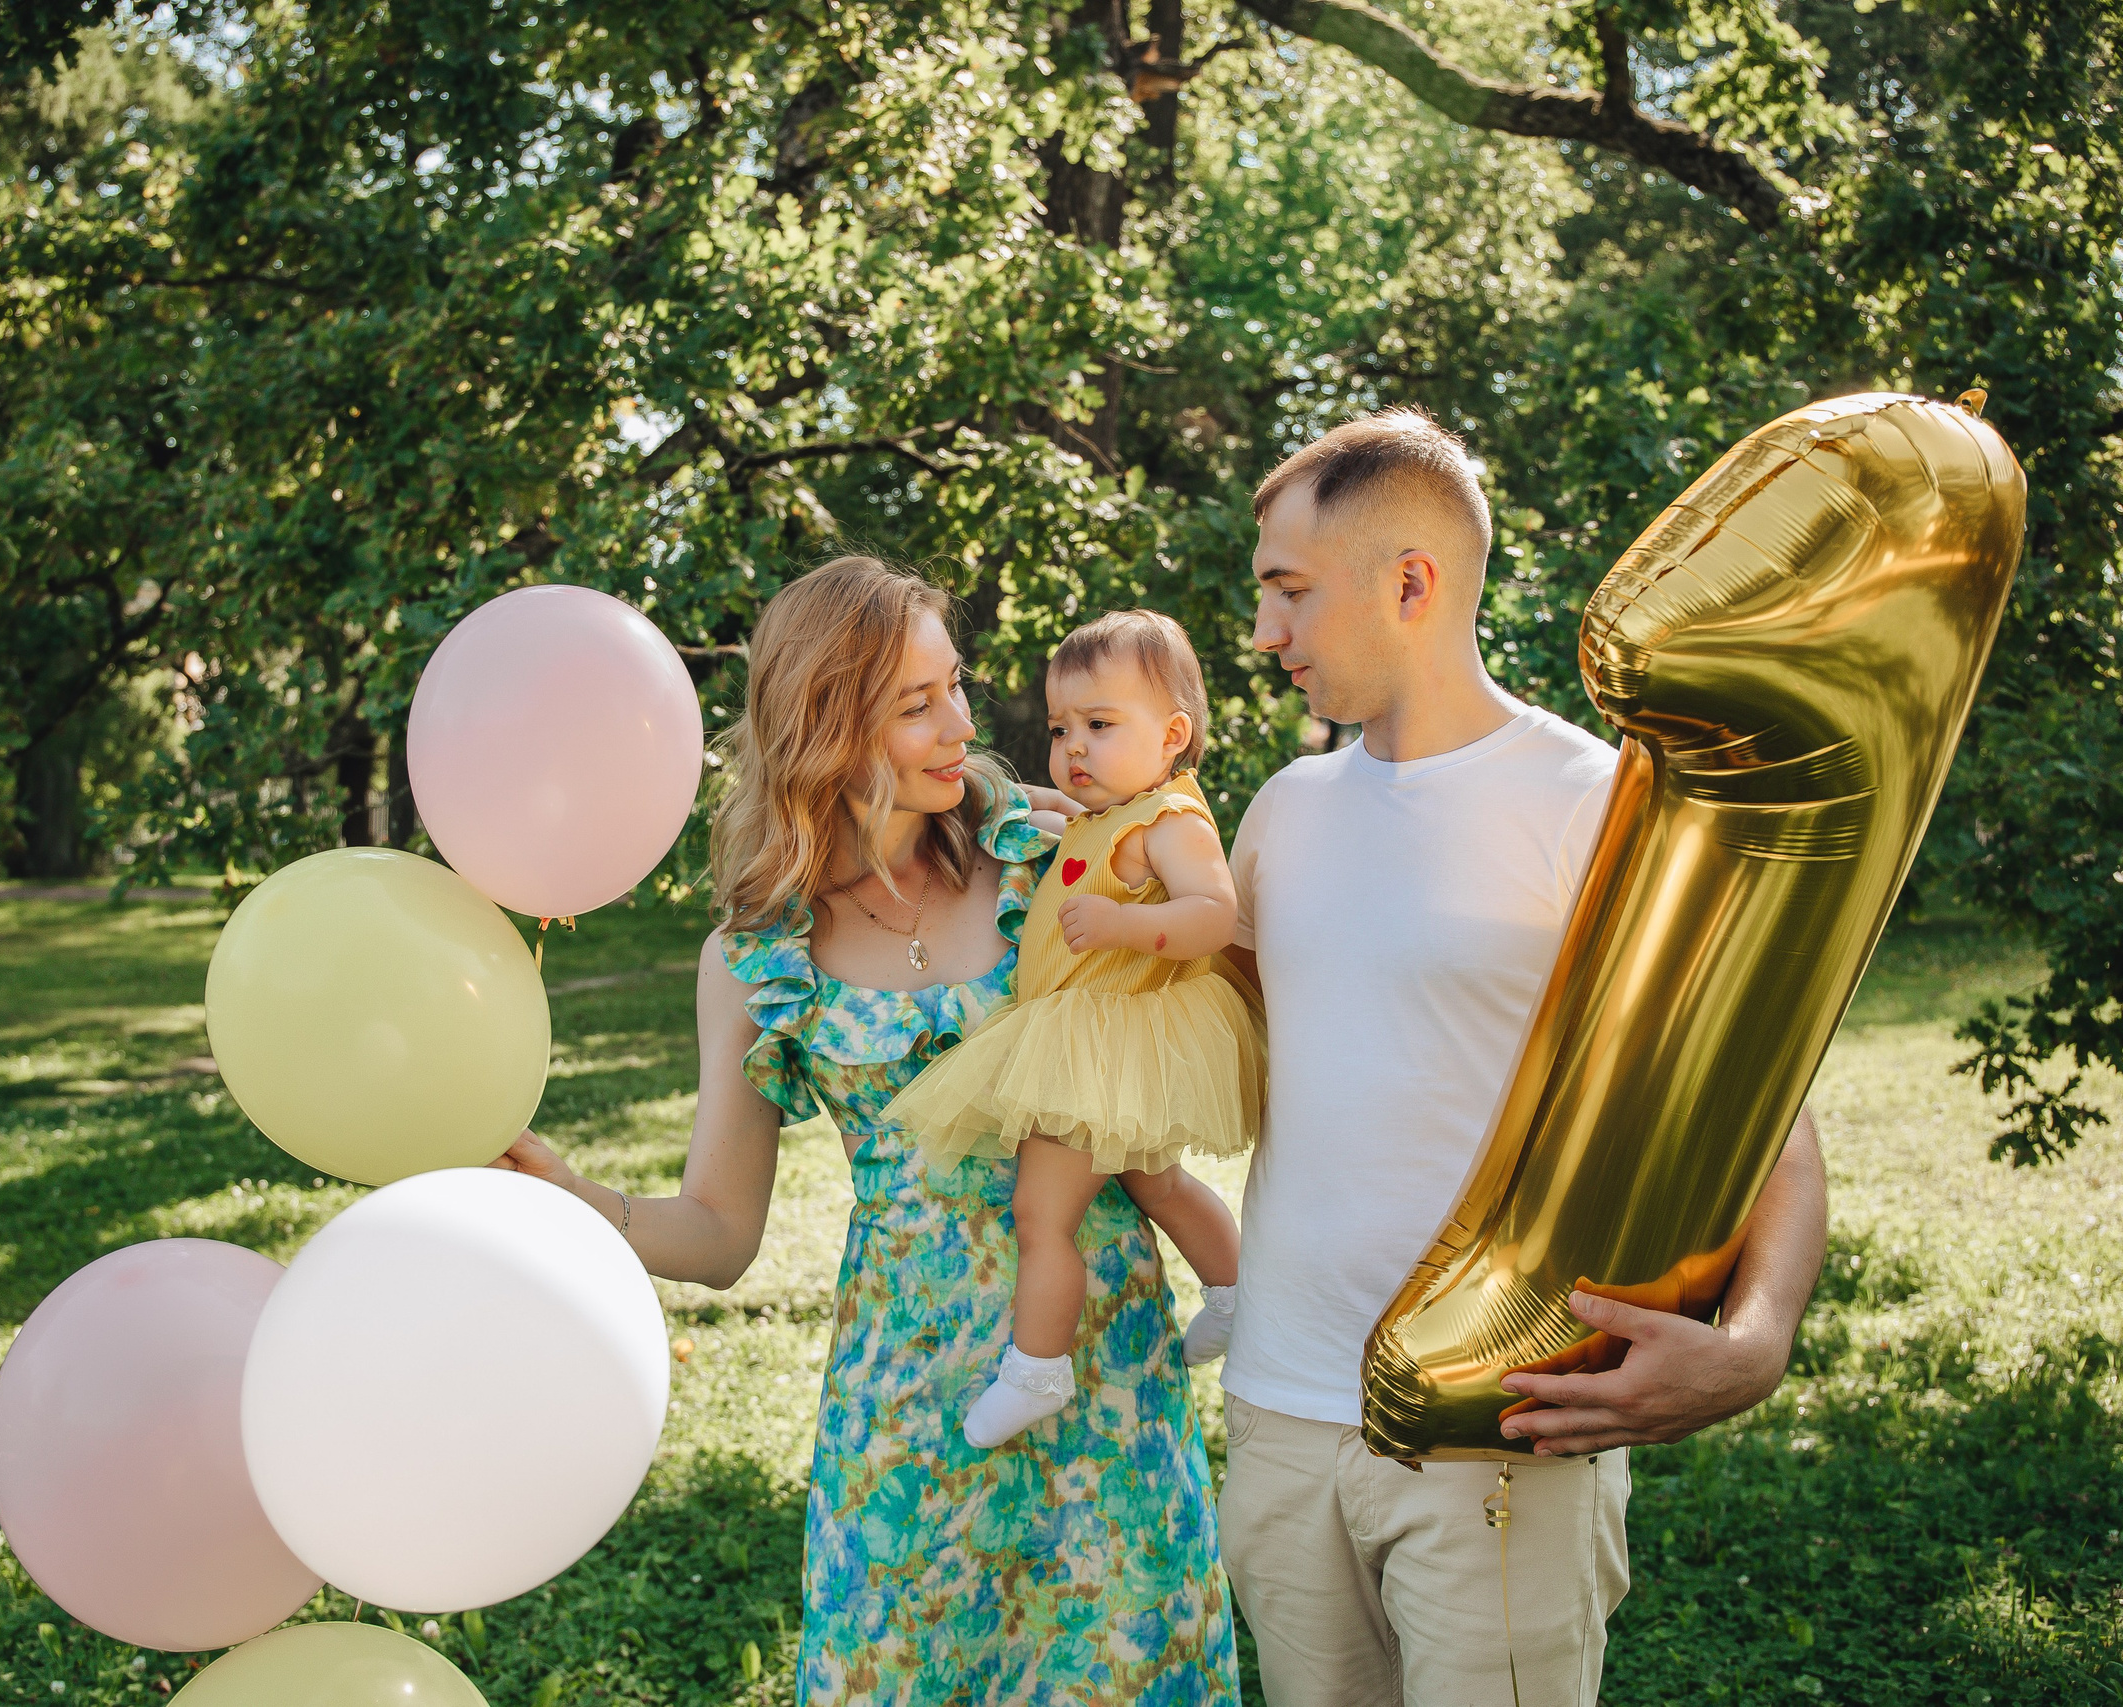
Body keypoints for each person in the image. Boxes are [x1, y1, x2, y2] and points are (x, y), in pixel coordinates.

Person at [490, 558, 1239, 1705]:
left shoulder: (1045, 852)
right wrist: (577, 1197)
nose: (960, 726)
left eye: (955, 688)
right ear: (829, 728)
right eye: (915, 705)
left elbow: (1205, 956)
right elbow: (721, 1232)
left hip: (1103, 1367)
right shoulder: (754, 958)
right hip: (908, 1398)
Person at [1215, 409, 1829, 1706]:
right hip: (1279, 1412)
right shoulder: (1281, 810)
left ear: (1410, 581)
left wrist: (1758, 1341)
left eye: (1288, 590)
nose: (1264, 632)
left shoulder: (1595, 803)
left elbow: (1765, 1111)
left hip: (1499, 1431)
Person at [884, 610, 1260, 1448]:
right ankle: (1236, 1292)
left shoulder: (1169, 820)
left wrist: (1127, 928)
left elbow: (1214, 913)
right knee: (1155, 1183)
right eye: (1061, 729)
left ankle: (1037, 1367)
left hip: (1106, 1035)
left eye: (1099, 725)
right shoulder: (1099, 816)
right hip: (1095, 1038)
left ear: (1171, 736)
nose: (1073, 748)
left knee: (1040, 1213)